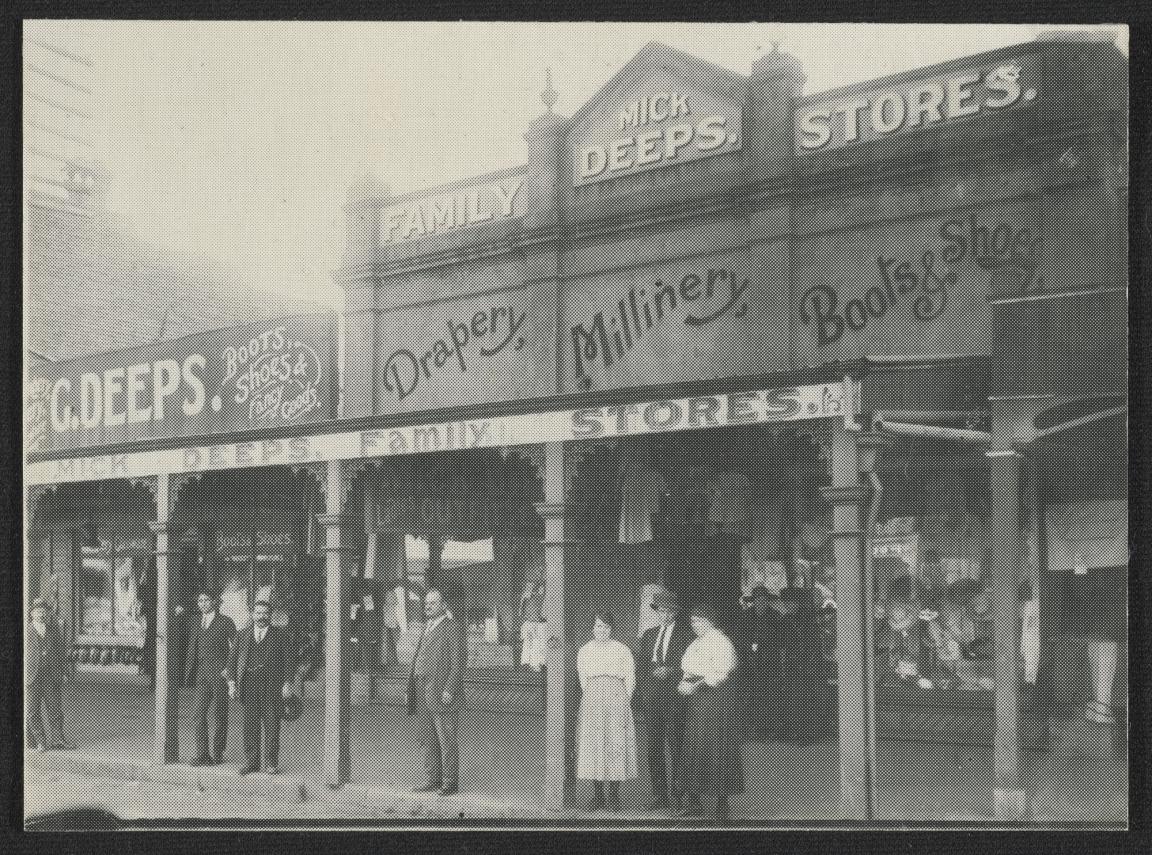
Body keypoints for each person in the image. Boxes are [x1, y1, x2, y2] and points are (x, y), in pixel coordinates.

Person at [676, 602, 743, 823]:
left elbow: (720, 674)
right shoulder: (696, 643)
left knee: (717, 748)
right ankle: (695, 801)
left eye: (698, 621)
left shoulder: (721, 642)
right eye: (693, 621)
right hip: (697, 704)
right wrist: (685, 683)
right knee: (695, 748)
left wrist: (694, 686)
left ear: (709, 621)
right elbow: (688, 669)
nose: (694, 625)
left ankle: (722, 804)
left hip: (716, 701)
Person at [634, 589, 693, 811]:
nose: (664, 615)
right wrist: (642, 695)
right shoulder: (649, 634)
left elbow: (691, 667)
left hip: (674, 699)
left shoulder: (685, 635)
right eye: (660, 611)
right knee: (653, 746)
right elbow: (641, 667)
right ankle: (660, 794)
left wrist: (671, 670)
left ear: (675, 613)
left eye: (668, 611)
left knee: (676, 745)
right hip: (653, 699)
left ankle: (678, 794)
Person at [576, 611, 637, 812]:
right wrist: (593, 696)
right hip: (593, 698)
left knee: (615, 742)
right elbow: (583, 677)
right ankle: (598, 795)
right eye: (598, 626)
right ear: (592, 628)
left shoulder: (622, 650)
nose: (601, 630)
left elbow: (629, 677)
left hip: (617, 697)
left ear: (611, 629)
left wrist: (624, 700)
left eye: (606, 627)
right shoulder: (584, 650)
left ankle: (614, 795)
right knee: (595, 744)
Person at [408, 589, 467, 796]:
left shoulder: (452, 627)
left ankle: (449, 782)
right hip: (422, 688)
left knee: (446, 738)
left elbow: (459, 663)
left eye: (433, 603)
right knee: (426, 737)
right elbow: (418, 659)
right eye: (426, 603)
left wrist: (449, 689)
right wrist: (411, 689)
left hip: (442, 692)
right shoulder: (426, 626)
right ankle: (432, 778)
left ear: (444, 605)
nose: (428, 606)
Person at [227, 600, 294, 775]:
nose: (261, 616)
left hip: (272, 686)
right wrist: (232, 683)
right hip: (248, 686)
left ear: (270, 615)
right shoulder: (242, 635)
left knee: (272, 724)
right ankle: (252, 762)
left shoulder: (280, 634)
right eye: (258, 613)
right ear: (252, 614)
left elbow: (288, 661)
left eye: (265, 613)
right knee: (250, 725)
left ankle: (271, 762)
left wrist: (287, 683)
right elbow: (232, 662)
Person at [738, 585, 798, 741]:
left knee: (770, 699)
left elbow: (782, 642)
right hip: (750, 666)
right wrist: (749, 647)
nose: (761, 603)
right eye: (758, 600)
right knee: (751, 699)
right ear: (753, 601)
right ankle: (752, 732)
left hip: (770, 666)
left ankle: (769, 732)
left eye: (764, 600)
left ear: (768, 601)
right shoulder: (745, 617)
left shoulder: (776, 617)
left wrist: (767, 648)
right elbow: (740, 640)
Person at [183, 591, 237, 766]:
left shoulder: (225, 621)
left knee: (220, 714)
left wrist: (229, 669)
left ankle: (218, 752)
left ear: (214, 602)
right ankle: (202, 754)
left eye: (206, 600)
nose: (203, 603)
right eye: (200, 600)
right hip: (202, 674)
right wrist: (178, 611)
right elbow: (179, 621)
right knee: (198, 715)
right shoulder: (195, 621)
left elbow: (236, 647)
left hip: (219, 674)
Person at [27, 598, 74, 752]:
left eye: (43, 611)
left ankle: (58, 739)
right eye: (37, 611)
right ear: (31, 613)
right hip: (32, 677)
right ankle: (40, 741)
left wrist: (64, 672)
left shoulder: (53, 630)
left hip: (50, 676)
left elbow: (60, 652)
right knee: (33, 711)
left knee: (55, 709)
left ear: (46, 613)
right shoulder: (26, 631)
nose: (40, 614)